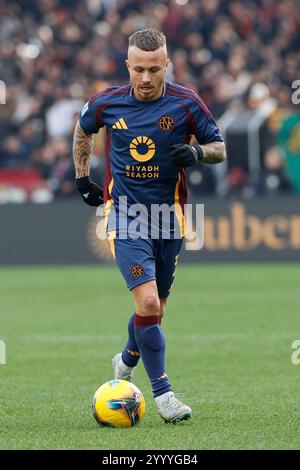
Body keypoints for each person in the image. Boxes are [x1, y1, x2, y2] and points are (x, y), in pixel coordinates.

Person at [73, 28, 226, 423]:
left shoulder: (186, 103)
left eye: (154, 69)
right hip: (123, 214)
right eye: (138, 69)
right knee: (147, 303)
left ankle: (126, 359)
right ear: (127, 65)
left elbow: (219, 148)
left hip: (169, 216)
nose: (145, 78)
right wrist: (81, 177)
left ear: (166, 66)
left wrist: (195, 152)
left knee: (155, 311)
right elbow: (83, 130)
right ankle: (164, 396)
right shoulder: (106, 102)